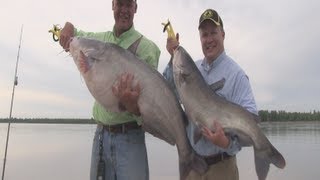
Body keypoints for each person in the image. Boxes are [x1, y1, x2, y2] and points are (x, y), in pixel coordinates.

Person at [59, 0, 160, 180]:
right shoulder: (100, 40)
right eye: (119, 4)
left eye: (128, 5)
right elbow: (74, 36)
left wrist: (131, 105)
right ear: (112, 5)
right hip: (100, 137)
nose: (124, 10)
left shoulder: (148, 48)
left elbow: (149, 106)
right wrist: (68, 26)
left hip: (130, 139)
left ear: (135, 8)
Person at [163, 9, 258, 180]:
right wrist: (172, 58)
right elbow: (167, 91)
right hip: (192, 166)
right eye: (204, 34)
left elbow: (250, 123)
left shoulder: (237, 75)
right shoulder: (190, 68)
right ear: (200, 39)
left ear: (223, 34)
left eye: (213, 32)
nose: (209, 39)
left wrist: (226, 143)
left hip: (222, 168)